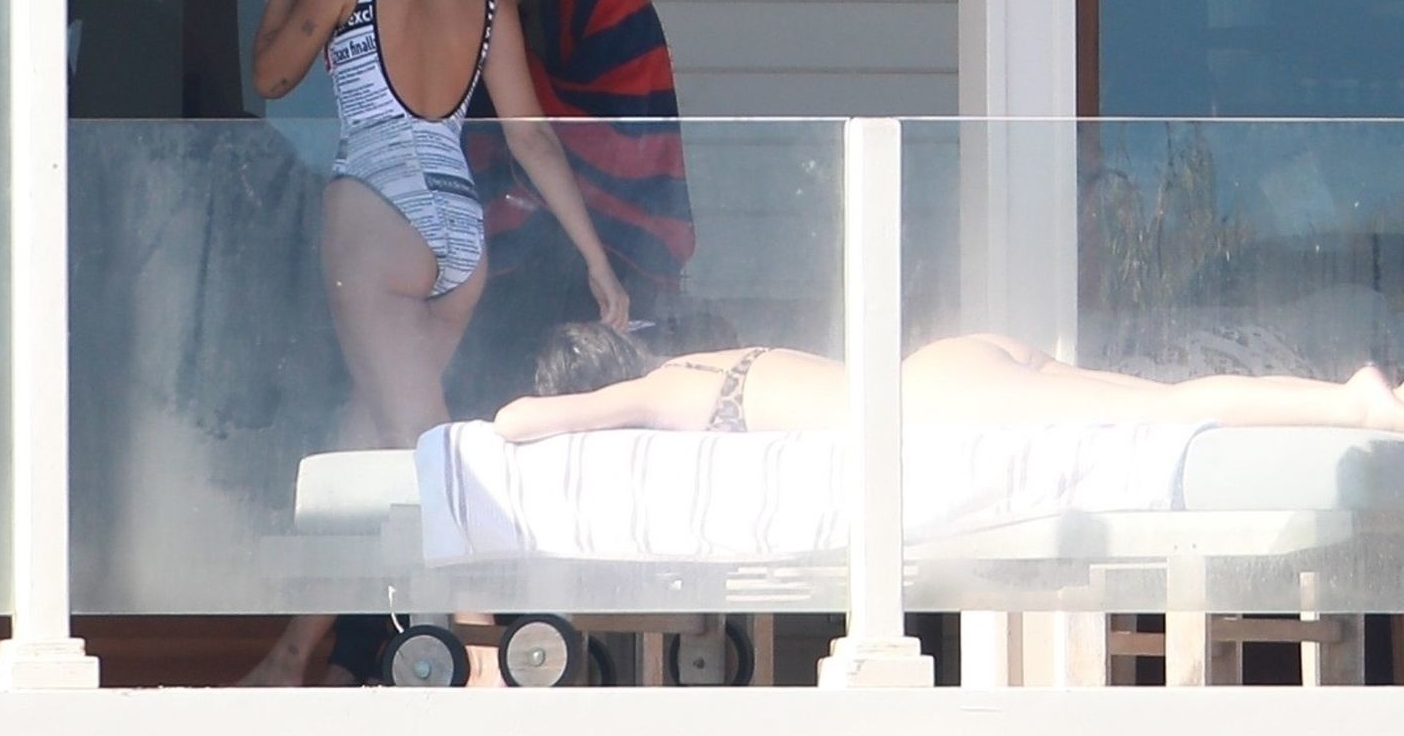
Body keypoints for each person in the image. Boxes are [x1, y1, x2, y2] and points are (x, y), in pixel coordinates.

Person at [239, 0, 630, 686]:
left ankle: (483, 645)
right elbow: (530, 135)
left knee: (424, 443)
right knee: (369, 431)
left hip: (377, 213)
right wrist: (596, 256)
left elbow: (269, 72)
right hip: (458, 226)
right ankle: (295, 652)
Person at [433, 0, 694, 418]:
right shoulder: (470, 20)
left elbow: (633, 145)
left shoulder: (612, 2)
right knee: (491, 397)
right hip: (515, 256)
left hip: (623, 246)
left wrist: (516, 79)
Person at [494, 323, 1404, 443]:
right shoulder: (702, 358)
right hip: (949, 363)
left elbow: (516, 422)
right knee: (1154, 406)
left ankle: (1351, 403)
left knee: (1165, 415)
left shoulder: (660, 392)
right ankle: (1349, 404)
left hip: (936, 398)